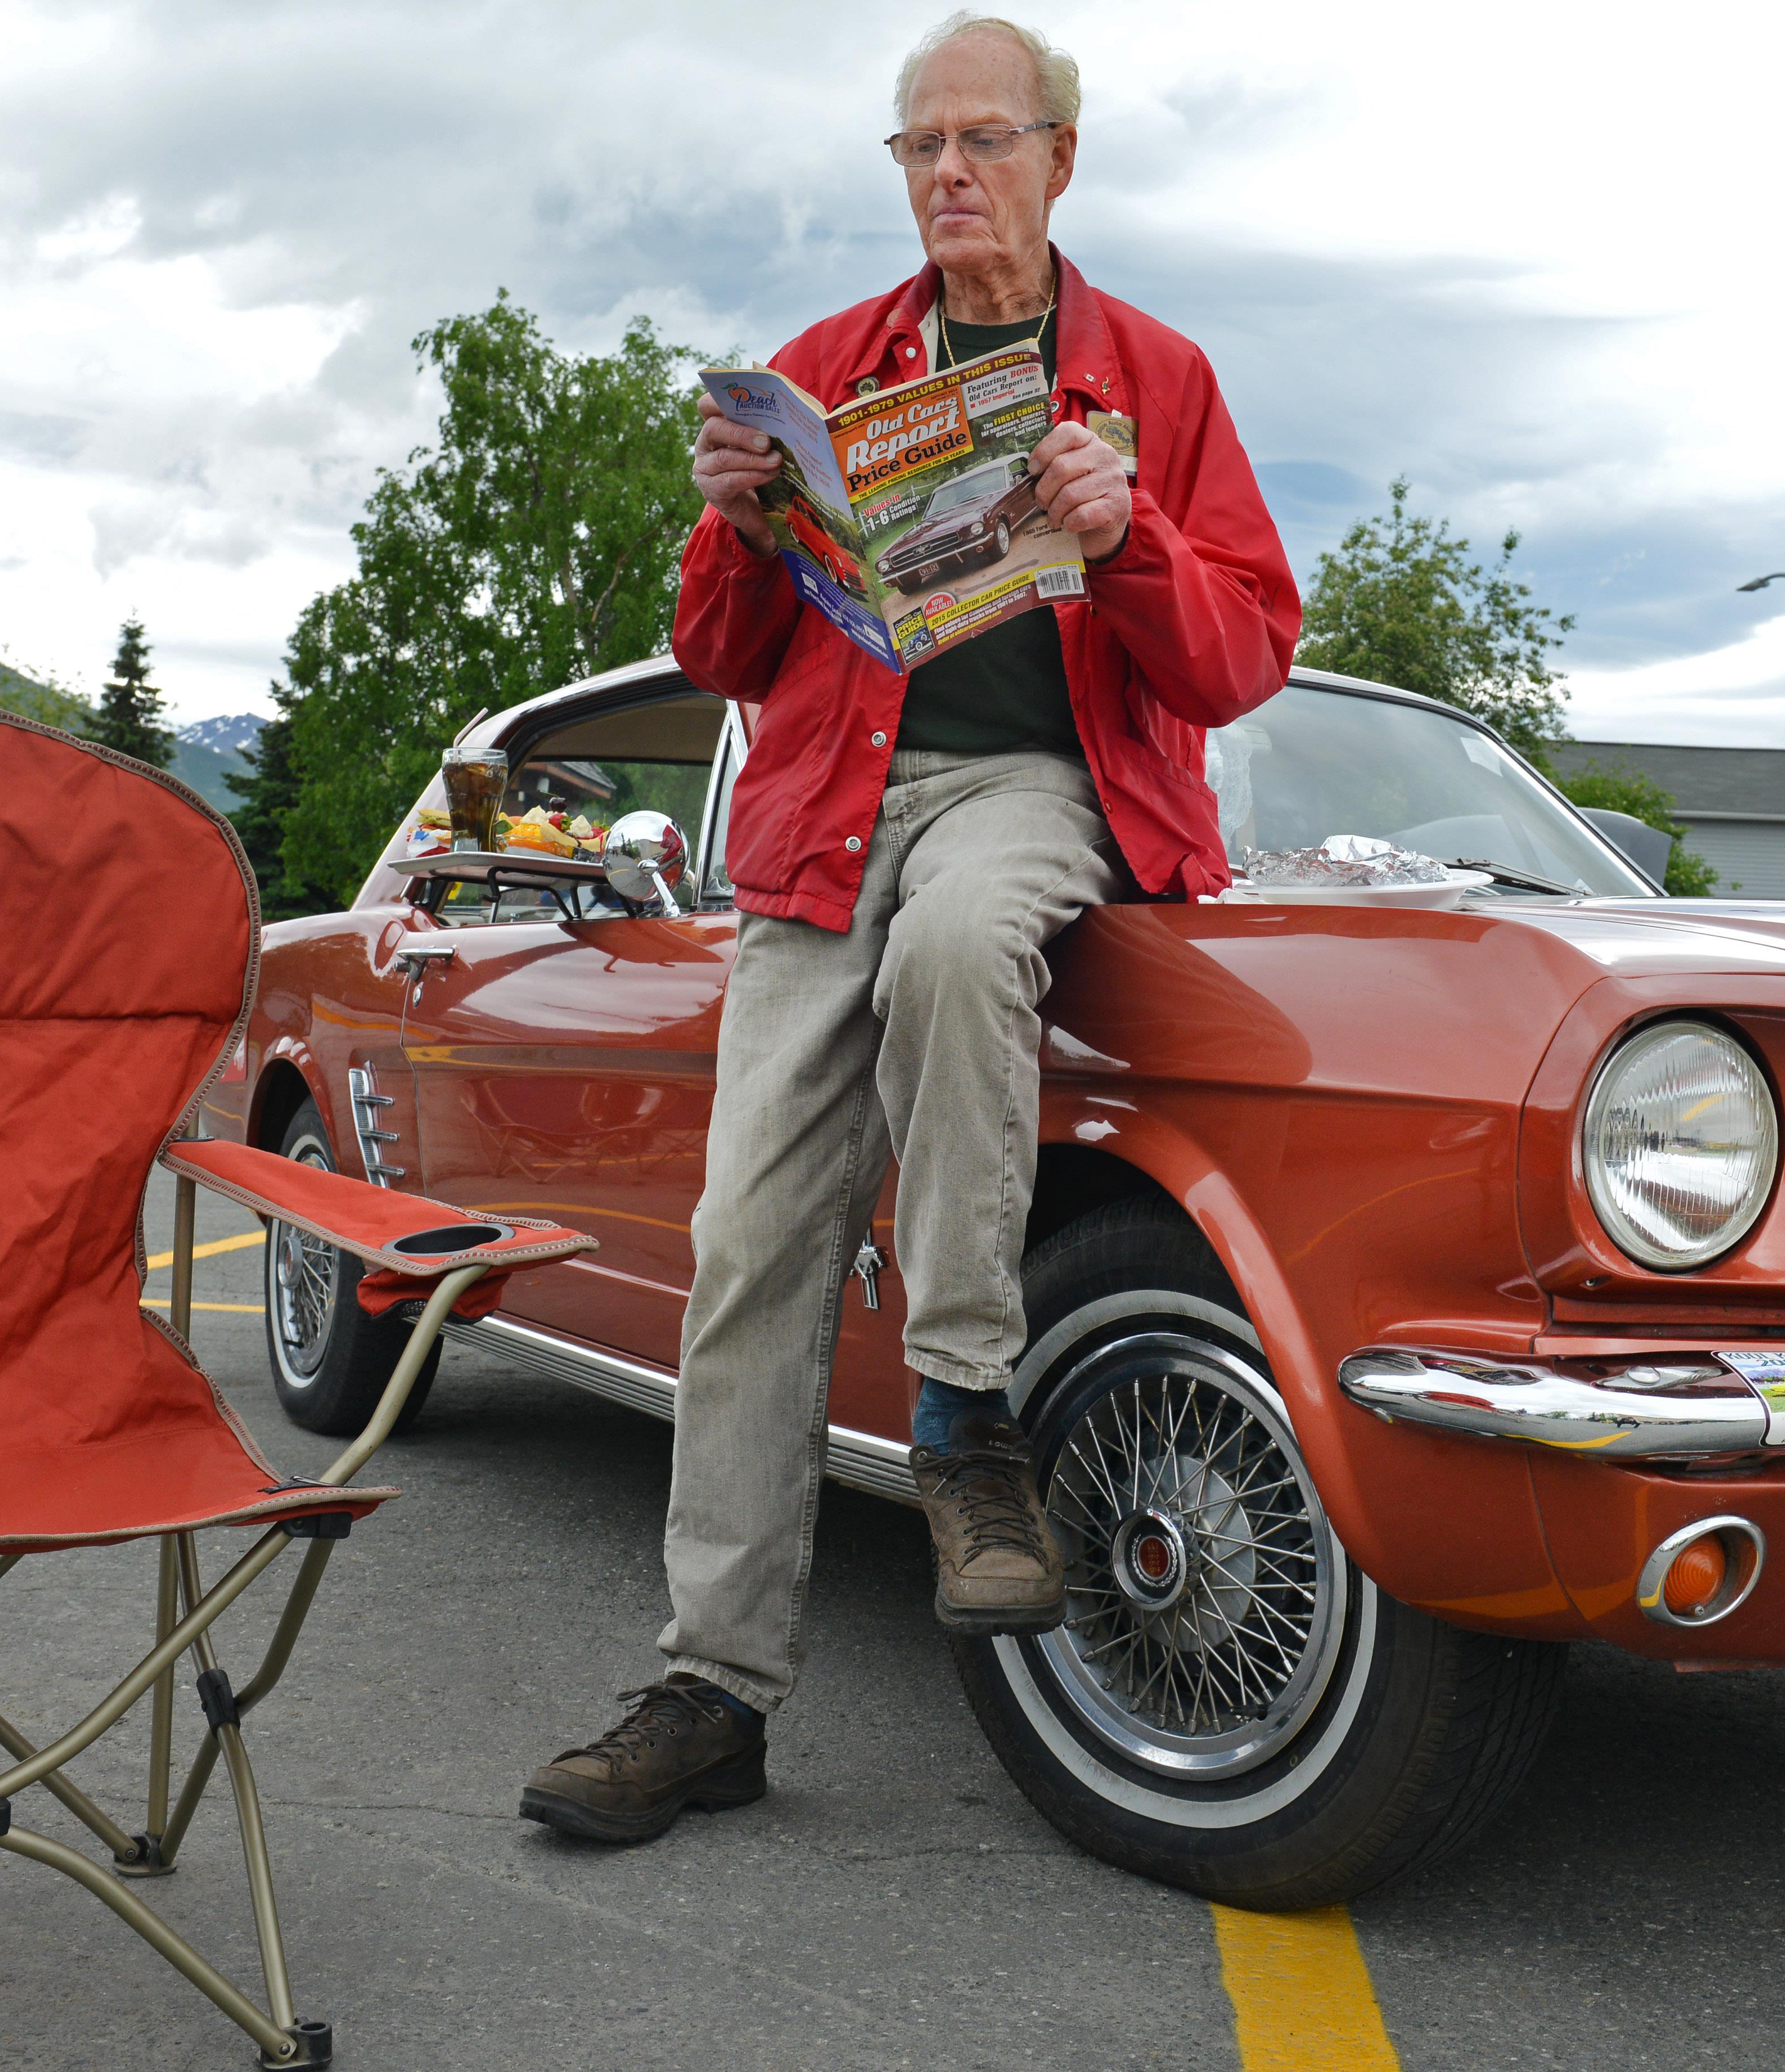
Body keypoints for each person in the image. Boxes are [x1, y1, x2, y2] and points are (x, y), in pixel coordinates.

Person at [519, 11, 1298, 1845]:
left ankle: (963, 1408)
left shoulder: (1157, 380)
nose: (949, 172)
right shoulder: (824, 367)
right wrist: (727, 521)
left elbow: (1246, 652)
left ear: (1059, 158)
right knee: (746, 1244)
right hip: (821, 820)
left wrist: (1130, 542)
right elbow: (726, 658)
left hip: (1030, 791)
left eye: (982, 140)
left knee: (966, 943)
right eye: (917, 147)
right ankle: (712, 1685)